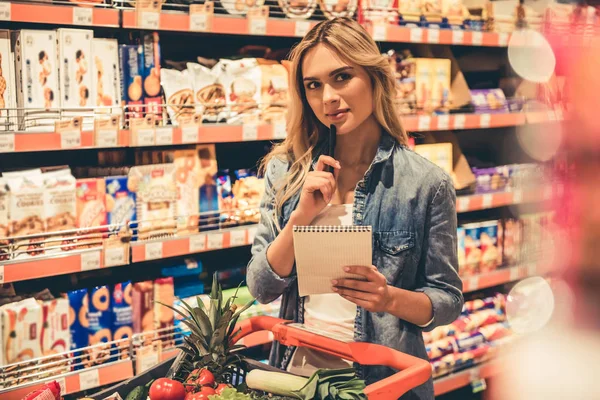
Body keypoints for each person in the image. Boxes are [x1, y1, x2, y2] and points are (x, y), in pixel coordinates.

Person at [246, 17, 463, 399]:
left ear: (374, 78)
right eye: (313, 85)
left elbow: (447, 301)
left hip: (384, 383)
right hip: (296, 379)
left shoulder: (426, 183)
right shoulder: (286, 170)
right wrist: (301, 218)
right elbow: (261, 288)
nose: (327, 96)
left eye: (342, 77)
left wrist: (388, 298)